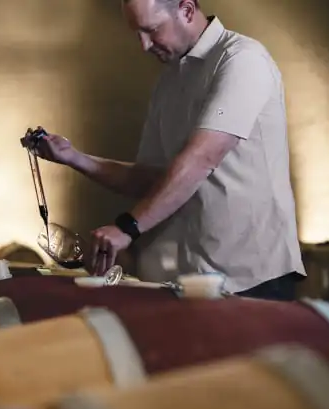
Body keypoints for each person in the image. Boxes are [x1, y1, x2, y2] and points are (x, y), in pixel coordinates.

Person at [31, 0, 306, 301]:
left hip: (251, 277)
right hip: (191, 280)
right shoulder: (169, 82)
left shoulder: (242, 59)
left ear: (186, 10)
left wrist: (127, 228)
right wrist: (73, 157)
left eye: (151, 30)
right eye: (137, 33)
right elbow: (148, 179)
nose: (144, 45)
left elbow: (201, 159)